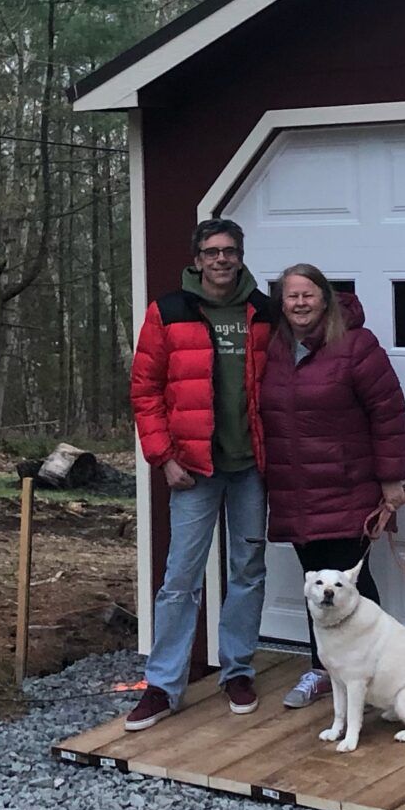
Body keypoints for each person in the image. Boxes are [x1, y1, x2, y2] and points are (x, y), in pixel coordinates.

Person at [122, 217, 276, 730]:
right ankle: (163, 686)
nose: (221, 260)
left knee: (248, 570)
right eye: (212, 252)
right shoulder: (168, 311)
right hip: (192, 467)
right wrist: (163, 456)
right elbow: (144, 391)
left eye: (230, 251)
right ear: (197, 259)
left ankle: (237, 670)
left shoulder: (263, 312)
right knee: (179, 580)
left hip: (250, 467)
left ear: (240, 255)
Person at [256, 262, 405, 710]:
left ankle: (380, 675)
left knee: (352, 589)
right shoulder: (275, 348)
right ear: (281, 304)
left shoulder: (357, 346)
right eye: (291, 296)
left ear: (324, 298)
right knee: (316, 589)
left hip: (348, 489)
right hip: (295, 491)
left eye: (308, 294)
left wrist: (391, 480)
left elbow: (388, 413)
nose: (300, 303)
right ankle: (324, 671)